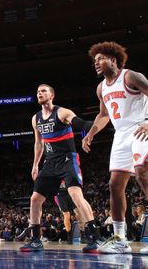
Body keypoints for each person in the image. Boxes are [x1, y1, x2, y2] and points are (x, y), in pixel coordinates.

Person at [82, 41, 148, 255]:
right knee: (114, 185)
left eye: (100, 59)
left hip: (141, 127)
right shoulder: (101, 88)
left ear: (113, 60)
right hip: (120, 135)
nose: (96, 63)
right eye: (94, 61)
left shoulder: (130, 76)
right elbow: (104, 114)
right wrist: (91, 133)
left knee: (144, 176)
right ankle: (120, 240)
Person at [19, 84, 102, 253]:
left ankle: (95, 237)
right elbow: (39, 143)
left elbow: (82, 124)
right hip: (50, 163)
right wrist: (35, 164)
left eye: (43, 91)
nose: (39, 93)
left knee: (76, 195)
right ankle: (36, 239)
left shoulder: (62, 112)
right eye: (37, 92)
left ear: (52, 95)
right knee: (35, 199)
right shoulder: (36, 118)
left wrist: (102, 119)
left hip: (67, 160)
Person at [54, 180, 76, 244]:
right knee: (67, 215)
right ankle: (69, 236)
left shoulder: (69, 174)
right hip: (60, 196)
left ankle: (81, 234)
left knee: (74, 216)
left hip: (70, 195)